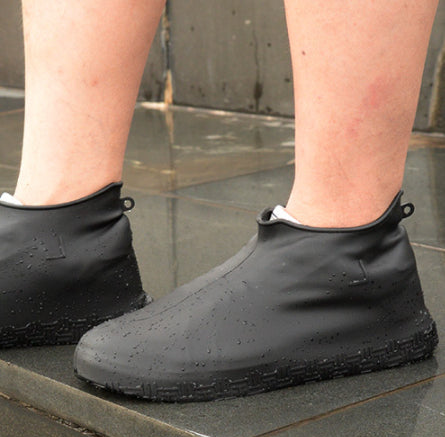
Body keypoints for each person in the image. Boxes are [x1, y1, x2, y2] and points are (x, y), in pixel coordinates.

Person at [0, 0, 439, 401]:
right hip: (60, 243)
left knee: (341, 220)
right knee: (58, 209)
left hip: (352, 269)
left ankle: (345, 249)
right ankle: (60, 227)